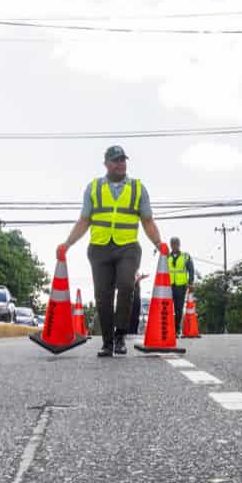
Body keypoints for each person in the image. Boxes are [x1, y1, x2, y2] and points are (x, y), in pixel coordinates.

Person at [59, 145, 164, 358]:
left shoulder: (137, 188)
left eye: (123, 160)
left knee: (126, 285)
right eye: (115, 160)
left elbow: (148, 221)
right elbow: (84, 221)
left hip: (128, 247)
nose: (120, 164)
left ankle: (120, 335)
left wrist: (159, 243)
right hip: (99, 249)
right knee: (102, 296)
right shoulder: (94, 188)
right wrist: (67, 244)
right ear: (106, 163)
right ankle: (107, 342)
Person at [167, 236, 198, 334]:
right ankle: (168, 330)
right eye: (173, 244)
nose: (174, 245)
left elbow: (191, 270)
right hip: (168, 286)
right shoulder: (166, 256)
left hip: (181, 286)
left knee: (178, 309)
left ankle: (176, 330)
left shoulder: (185, 256)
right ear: (170, 245)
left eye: (176, 243)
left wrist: (190, 283)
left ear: (179, 245)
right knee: (167, 309)